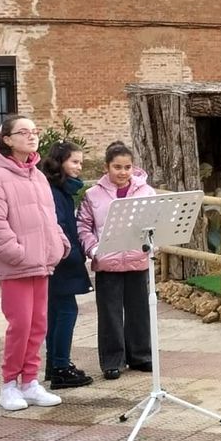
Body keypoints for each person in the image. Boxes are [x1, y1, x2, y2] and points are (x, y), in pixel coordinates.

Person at [0, 116, 70, 412]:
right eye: (23, 132)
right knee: (20, 325)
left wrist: (58, 244)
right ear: (6, 139)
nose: (31, 137)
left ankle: (30, 381)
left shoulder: (37, 176)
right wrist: (17, 253)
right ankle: (9, 385)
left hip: (41, 263)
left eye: (34, 132)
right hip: (17, 265)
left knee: (38, 324)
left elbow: (49, 218)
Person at [77, 143, 156, 381]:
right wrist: (93, 249)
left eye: (127, 167)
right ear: (106, 167)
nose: (123, 172)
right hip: (108, 263)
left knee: (139, 310)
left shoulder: (146, 191)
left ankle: (141, 356)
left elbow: (155, 221)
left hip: (136, 259)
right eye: (117, 167)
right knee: (110, 313)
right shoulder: (92, 195)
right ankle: (112, 361)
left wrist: (152, 246)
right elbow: (83, 226)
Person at [40, 140, 93, 390]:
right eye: (74, 161)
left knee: (56, 313)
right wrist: (72, 254)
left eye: (80, 162)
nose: (79, 167)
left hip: (60, 258)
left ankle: (54, 365)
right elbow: (57, 227)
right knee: (65, 312)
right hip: (61, 260)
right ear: (60, 163)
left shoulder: (62, 190)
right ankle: (61, 366)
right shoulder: (54, 192)